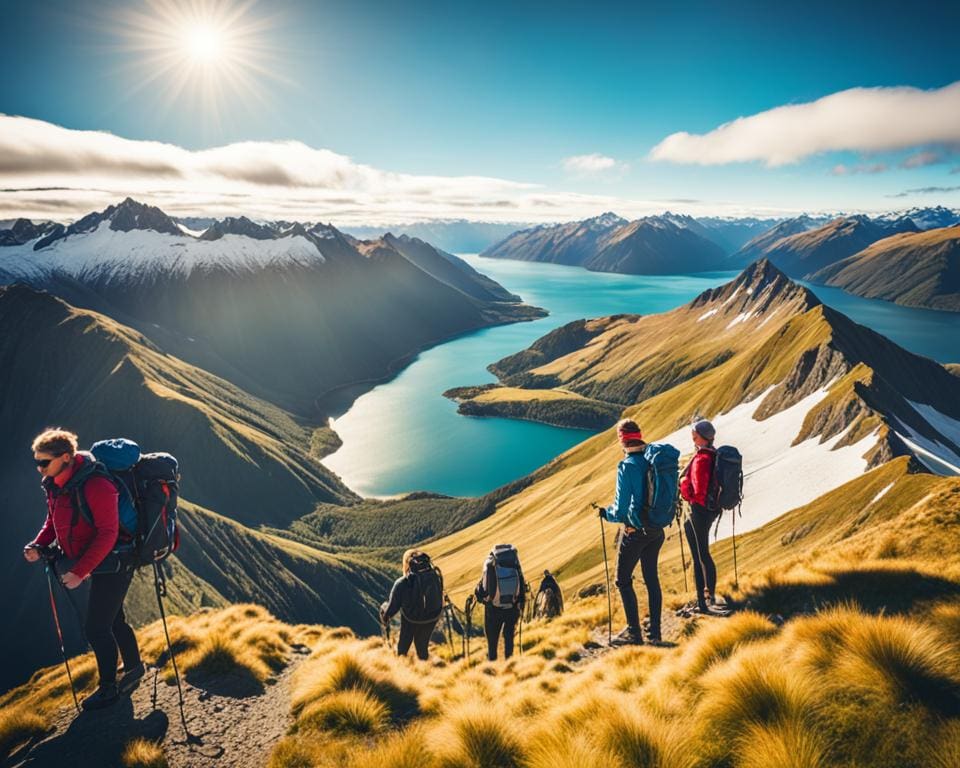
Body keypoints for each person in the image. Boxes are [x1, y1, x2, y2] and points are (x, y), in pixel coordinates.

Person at [23, 429, 144, 710]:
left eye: (44, 462)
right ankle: (135, 667)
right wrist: (38, 545)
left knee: (96, 627)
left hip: (116, 560)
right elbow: (52, 522)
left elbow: (108, 533)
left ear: (66, 457)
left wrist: (80, 571)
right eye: (37, 462)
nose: (40, 469)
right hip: (97, 561)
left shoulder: (97, 485)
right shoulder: (55, 484)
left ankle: (108, 689)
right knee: (113, 619)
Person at [600, 419, 664, 645]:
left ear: (623, 439)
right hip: (656, 530)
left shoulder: (627, 466)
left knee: (622, 580)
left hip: (635, 532)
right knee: (651, 578)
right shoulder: (653, 461)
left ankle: (633, 632)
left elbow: (619, 510)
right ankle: (655, 632)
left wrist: (605, 514)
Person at [680, 418, 720, 613]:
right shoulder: (712, 454)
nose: (692, 435)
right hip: (709, 511)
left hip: (699, 511)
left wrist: (683, 489)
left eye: (695, 433)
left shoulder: (702, 459)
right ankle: (708, 595)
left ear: (703, 437)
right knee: (703, 553)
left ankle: (702, 602)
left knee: (699, 556)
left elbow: (698, 491)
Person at [380, 549, 443, 660]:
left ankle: (402, 668)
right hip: (431, 618)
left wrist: (384, 612)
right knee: (422, 646)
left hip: (411, 619)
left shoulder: (402, 583)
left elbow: (392, 609)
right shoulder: (434, 576)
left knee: (403, 647)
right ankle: (425, 669)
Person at [475, 544, 525, 661]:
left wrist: (479, 596)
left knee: (492, 640)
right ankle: (509, 662)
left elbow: (482, 591)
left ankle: (492, 663)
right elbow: (522, 588)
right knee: (509, 637)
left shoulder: (490, 565)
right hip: (512, 608)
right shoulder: (514, 565)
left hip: (493, 610)